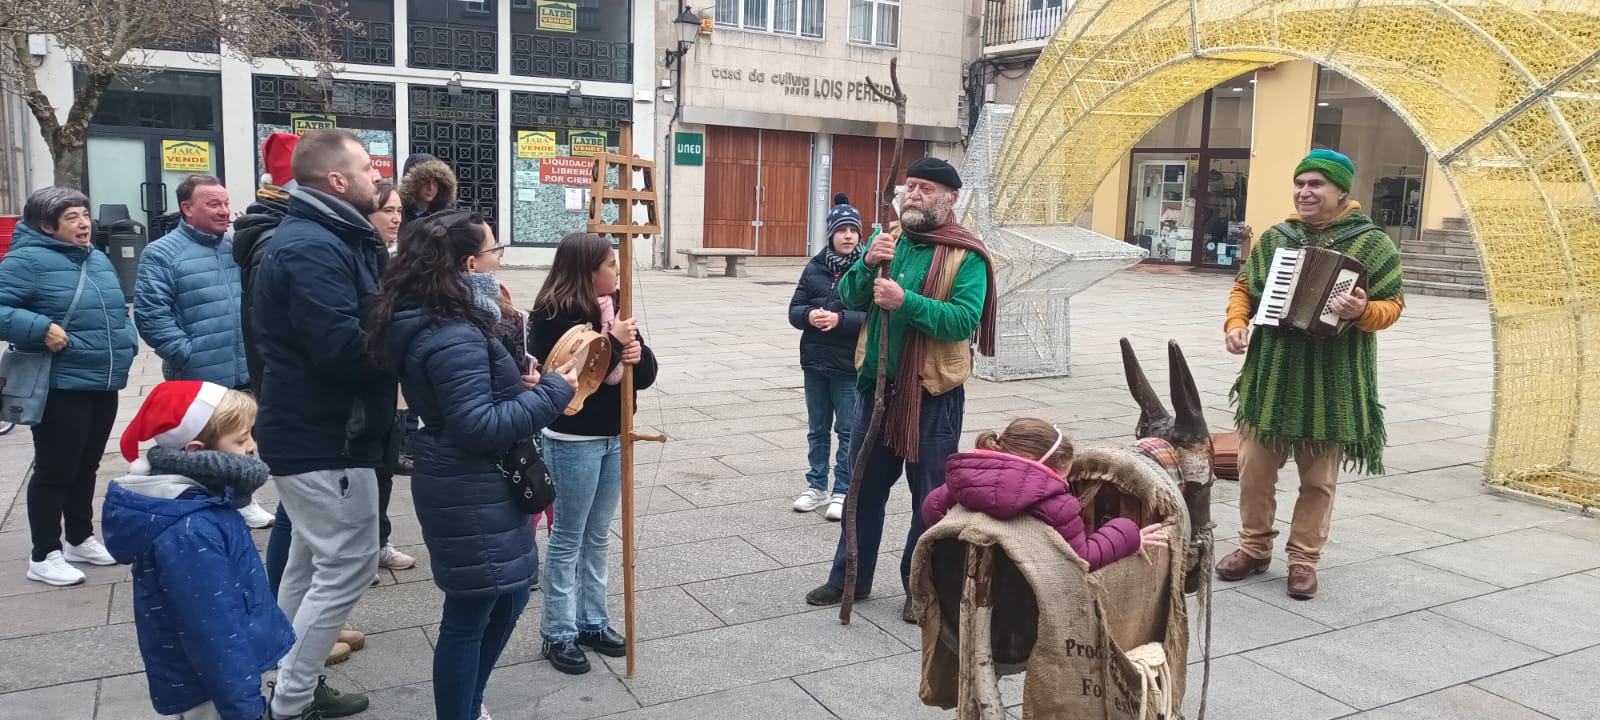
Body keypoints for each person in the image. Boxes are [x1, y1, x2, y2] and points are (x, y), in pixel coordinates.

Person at [369, 209, 577, 720]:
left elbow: (471, 400)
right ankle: (459, 710)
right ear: (468, 264)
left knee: (507, 599)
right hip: (469, 486)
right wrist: (554, 390)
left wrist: (516, 384)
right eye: (493, 252)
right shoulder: (452, 331)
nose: (498, 259)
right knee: (471, 614)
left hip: (481, 482)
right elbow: (476, 425)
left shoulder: (452, 318)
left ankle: (468, 701)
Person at [803, 157, 998, 624]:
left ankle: (921, 586)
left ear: (949, 199)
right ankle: (849, 576)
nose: (913, 194)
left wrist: (905, 302)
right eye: (910, 186)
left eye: (925, 189)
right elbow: (849, 298)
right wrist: (866, 264)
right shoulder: (887, 239)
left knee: (929, 497)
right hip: (876, 389)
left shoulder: (966, 255)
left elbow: (964, 321)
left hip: (932, 395)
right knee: (862, 491)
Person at [1215, 148, 1405, 600]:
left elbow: (1393, 304)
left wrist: (1363, 310)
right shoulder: (1277, 237)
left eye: (1316, 184)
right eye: (1300, 184)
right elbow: (1244, 287)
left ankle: (1303, 560)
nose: (1305, 192)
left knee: (1318, 480)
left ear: (1341, 191)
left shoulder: (1372, 243)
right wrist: (1236, 323)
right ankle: (1253, 548)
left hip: (1332, 379)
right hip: (1273, 372)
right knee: (1254, 470)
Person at [251, 128, 392, 720]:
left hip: (317, 432)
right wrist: (414, 337)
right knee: (347, 565)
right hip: (327, 436)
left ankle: (290, 681)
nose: (376, 176)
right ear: (337, 181)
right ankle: (291, 701)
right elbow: (343, 349)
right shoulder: (312, 246)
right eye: (366, 167)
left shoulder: (333, 236)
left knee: (309, 564)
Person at [101, 381, 295, 720]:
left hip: (220, 675)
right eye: (240, 439)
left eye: (251, 434)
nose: (252, 447)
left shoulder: (205, 500)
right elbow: (212, 628)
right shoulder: (191, 530)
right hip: (212, 687)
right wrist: (244, 706)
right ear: (196, 450)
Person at [528, 232, 659, 675]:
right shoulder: (552, 314)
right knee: (567, 537)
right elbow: (567, 378)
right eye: (610, 263)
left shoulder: (617, 308)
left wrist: (636, 352)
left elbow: (643, 376)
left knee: (599, 535)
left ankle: (592, 621)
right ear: (589, 271)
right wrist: (613, 341)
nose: (618, 270)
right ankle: (558, 632)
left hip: (614, 435)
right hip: (573, 438)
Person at [0, 187, 138, 587]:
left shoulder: (94, 257)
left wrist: (127, 342)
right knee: (55, 469)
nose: (84, 223)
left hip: (102, 377)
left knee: (87, 465)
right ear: (46, 225)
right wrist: (39, 328)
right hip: (59, 382)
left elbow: (114, 310)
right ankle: (44, 553)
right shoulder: (25, 261)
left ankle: (79, 538)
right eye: (72, 217)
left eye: (85, 215)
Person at [133, 174, 272, 530]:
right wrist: (186, 352)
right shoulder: (162, 253)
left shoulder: (234, 247)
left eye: (225, 203)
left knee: (242, 436)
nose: (224, 211)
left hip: (245, 364)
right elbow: (151, 314)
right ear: (186, 208)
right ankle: (200, 504)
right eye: (213, 204)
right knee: (203, 445)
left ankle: (245, 498)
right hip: (199, 371)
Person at [922, 418, 1168, 570]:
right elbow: (1083, 558)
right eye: (1063, 477)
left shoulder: (963, 482)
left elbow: (930, 510)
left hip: (968, 581)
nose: (1063, 484)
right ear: (1046, 467)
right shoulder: (1058, 505)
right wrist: (1127, 533)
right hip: (1027, 599)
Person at [788, 193, 866, 521]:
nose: (848, 235)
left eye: (853, 230)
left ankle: (842, 490)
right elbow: (794, 310)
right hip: (815, 361)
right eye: (842, 229)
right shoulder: (815, 267)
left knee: (847, 430)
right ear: (831, 233)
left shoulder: (867, 270)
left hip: (848, 366)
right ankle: (817, 485)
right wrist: (809, 316)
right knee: (817, 428)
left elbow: (874, 317)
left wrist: (840, 320)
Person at [366, 180, 417, 574]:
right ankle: (359, 552)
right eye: (388, 210)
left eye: (399, 210)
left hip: (392, 382)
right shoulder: (362, 255)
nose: (396, 218)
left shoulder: (400, 258)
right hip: (367, 378)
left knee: (385, 466)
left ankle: (379, 542)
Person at [398, 153, 457, 229]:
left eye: (435, 182)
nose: (430, 188)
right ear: (412, 183)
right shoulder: (399, 215)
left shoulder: (448, 215)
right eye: (425, 182)